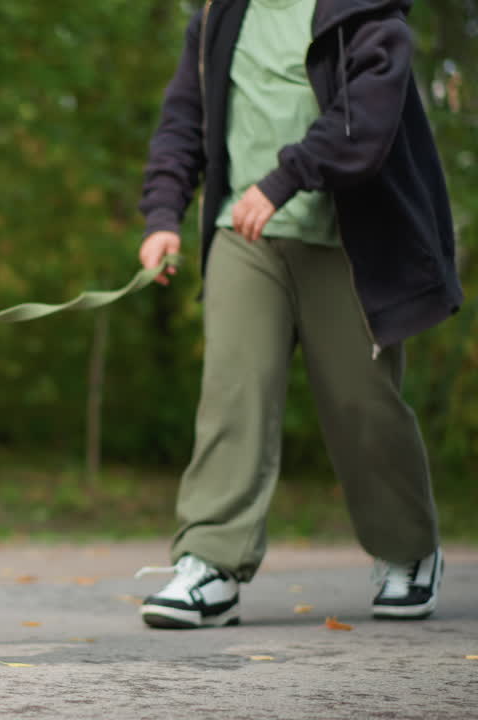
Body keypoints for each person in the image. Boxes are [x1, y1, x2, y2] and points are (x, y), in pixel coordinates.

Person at [133, 0, 463, 629]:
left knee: (361, 405)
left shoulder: (369, 14)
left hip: (348, 237)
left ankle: (407, 552)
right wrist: (163, 215)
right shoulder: (217, 13)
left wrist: (283, 180)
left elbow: (365, 124)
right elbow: (185, 117)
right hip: (243, 236)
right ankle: (211, 560)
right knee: (234, 394)